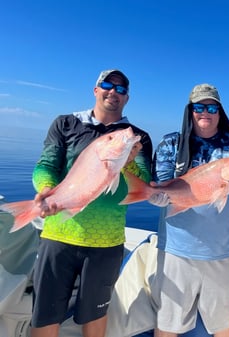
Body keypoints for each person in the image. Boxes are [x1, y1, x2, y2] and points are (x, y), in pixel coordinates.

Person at [30, 69, 153, 337]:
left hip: (106, 244)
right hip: (58, 235)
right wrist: (47, 191)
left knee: (96, 318)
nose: (114, 92)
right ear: (96, 90)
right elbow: (46, 165)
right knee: (44, 316)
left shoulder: (137, 138)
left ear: (127, 98)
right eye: (108, 85)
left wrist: (129, 162)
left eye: (121, 89)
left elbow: (144, 183)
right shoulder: (66, 124)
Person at [151, 83, 229, 337]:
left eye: (211, 107)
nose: (205, 112)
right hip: (177, 250)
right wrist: (156, 196)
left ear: (220, 112)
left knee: (222, 325)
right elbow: (162, 185)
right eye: (199, 106)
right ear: (191, 111)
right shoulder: (170, 144)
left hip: (221, 252)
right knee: (168, 323)